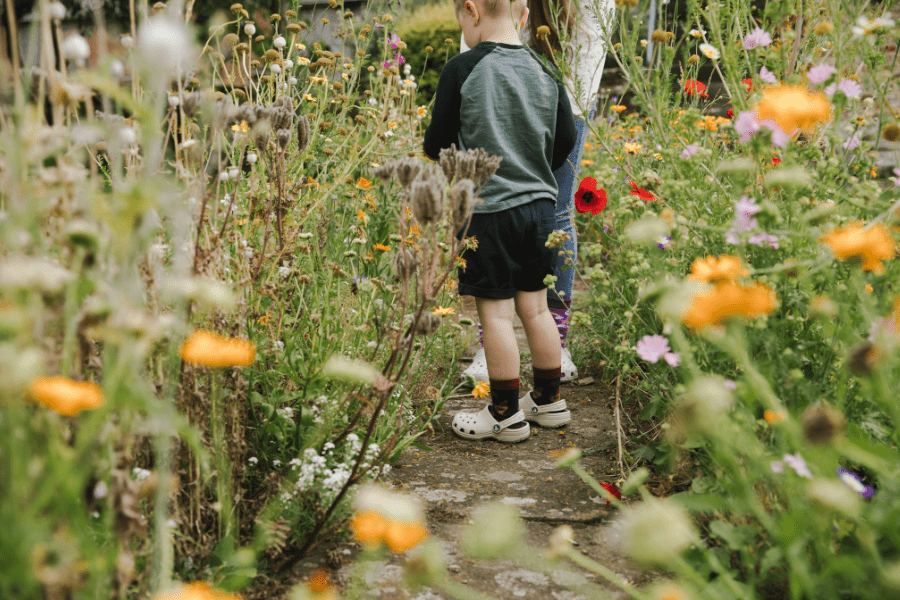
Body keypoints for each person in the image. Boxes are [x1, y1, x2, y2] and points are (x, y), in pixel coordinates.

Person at [423, 0, 578, 442]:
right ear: (525, 17)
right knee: (535, 308)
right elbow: (564, 139)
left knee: (495, 316)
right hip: (540, 211)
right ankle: (549, 402)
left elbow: (436, 142)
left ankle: (505, 413)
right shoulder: (548, 70)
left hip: (489, 211)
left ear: (471, 12)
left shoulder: (463, 68)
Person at [460, 0, 616, 386]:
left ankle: (554, 343)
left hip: (565, 90)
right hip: (492, 85)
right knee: (493, 202)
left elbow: (592, 39)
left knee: (557, 208)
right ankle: (493, 345)